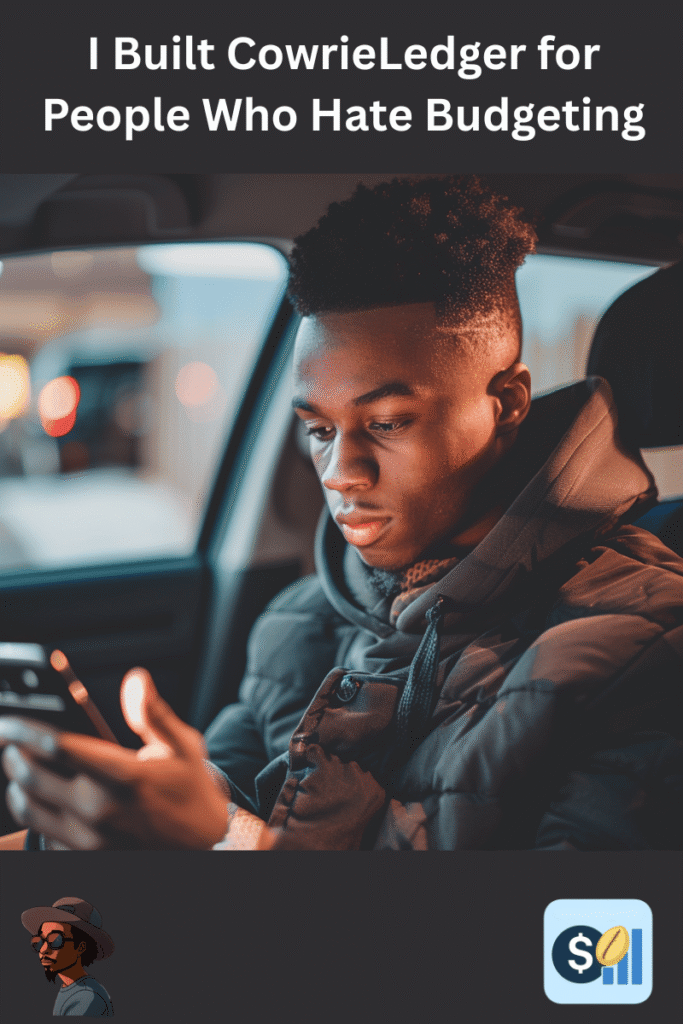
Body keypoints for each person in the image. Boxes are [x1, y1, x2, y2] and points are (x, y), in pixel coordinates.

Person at [0, 176, 681, 850]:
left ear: (505, 401)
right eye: (319, 430)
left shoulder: (646, 648)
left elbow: (579, 951)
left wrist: (230, 843)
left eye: (386, 422)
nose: (339, 473)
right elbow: (225, 801)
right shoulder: (300, 619)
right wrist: (130, 816)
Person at [21, 896, 115, 1015]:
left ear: (81, 947)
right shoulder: (72, 988)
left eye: (55, 940)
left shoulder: (86, 997)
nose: (44, 949)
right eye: (39, 941)